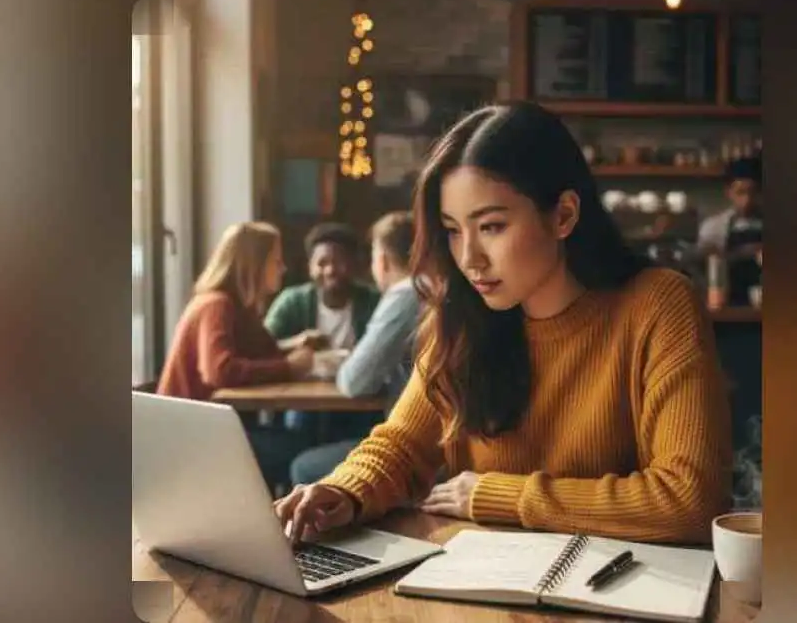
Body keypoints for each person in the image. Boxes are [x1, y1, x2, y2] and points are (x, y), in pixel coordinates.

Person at [274, 101, 732, 545]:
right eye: (453, 230)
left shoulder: (657, 304)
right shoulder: (460, 315)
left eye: (491, 226)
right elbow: (402, 443)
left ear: (564, 215)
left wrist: (499, 495)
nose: (469, 258)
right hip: (486, 586)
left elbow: (689, 498)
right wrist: (344, 491)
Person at [155, 222, 316, 489]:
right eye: (276, 261)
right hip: (188, 437)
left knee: (301, 440)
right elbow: (220, 371)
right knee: (302, 449)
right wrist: (289, 366)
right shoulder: (215, 305)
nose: (283, 268)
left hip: (210, 427)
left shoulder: (239, 308)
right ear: (253, 265)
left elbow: (263, 350)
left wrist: (290, 348)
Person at [289, 211, 421, 485]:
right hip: (422, 435)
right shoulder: (430, 288)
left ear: (382, 260)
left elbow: (354, 381)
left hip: (414, 442)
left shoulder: (405, 295)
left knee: (304, 467)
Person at [264, 222, 382, 437]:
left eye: (340, 262)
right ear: (310, 267)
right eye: (322, 263)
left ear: (354, 265)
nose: (330, 270)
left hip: (357, 398)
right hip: (304, 398)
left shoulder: (373, 302)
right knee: (298, 426)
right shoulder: (293, 301)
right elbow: (263, 346)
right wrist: (298, 342)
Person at [696, 155, 763, 306]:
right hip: (726, 305)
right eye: (740, 193)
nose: (747, 200)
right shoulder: (713, 227)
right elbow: (700, 270)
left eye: (753, 193)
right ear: (729, 192)